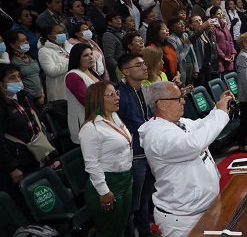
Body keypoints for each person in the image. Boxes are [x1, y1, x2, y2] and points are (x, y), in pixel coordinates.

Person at [139, 81, 233, 236]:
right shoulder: (157, 135)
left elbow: (203, 125)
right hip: (183, 220)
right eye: (178, 98)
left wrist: (218, 107)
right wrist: (221, 113)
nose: (183, 101)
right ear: (161, 104)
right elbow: (193, 144)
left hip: (203, 209)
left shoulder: (178, 122)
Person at [79, 81, 133, 237]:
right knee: (108, 232)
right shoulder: (91, 128)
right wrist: (103, 191)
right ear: (97, 99)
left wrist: (129, 176)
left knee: (121, 228)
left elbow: (126, 148)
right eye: (111, 95)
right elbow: (91, 164)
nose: (117, 98)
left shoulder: (114, 117)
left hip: (125, 179)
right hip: (107, 183)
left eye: (116, 93)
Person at [0, 64, 55, 209]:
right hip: (18, 160)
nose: (18, 80)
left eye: (19, 76)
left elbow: (36, 121)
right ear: (1, 83)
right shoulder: (2, 105)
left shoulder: (24, 96)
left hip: (35, 153)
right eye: (12, 78)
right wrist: (12, 168)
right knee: (26, 201)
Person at [116, 52, 156, 237]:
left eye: (144, 64)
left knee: (146, 198)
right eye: (138, 65)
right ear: (126, 71)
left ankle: (146, 233)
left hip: (147, 151)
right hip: (133, 155)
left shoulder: (144, 89)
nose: (144, 67)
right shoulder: (119, 95)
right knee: (132, 204)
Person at [66, 43, 103, 144]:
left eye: (91, 54)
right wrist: (103, 113)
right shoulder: (73, 75)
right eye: (86, 55)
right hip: (86, 120)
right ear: (77, 58)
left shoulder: (91, 71)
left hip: (100, 117)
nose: (91, 57)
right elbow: (87, 101)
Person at [5, 31, 44, 108]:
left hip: (40, 95)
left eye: (26, 39)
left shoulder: (30, 57)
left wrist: (42, 94)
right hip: (27, 98)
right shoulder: (13, 62)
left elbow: (37, 75)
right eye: (22, 41)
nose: (26, 42)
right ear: (12, 45)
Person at [38, 23, 74, 103]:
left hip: (74, 86)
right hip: (59, 92)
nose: (62, 34)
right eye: (59, 33)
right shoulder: (44, 50)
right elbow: (51, 71)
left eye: (63, 32)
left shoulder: (69, 46)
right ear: (50, 36)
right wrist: (69, 60)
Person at [146, 20, 180, 84]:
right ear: (156, 32)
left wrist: (178, 75)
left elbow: (176, 61)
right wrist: (173, 80)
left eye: (167, 28)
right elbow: (160, 68)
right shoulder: (152, 47)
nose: (167, 30)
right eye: (163, 29)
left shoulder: (168, 45)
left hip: (176, 78)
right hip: (164, 80)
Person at [210, 6, 236, 74]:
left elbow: (230, 40)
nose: (221, 15)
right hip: (219, 58)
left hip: (229, 56)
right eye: (218, 14)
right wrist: (223, 56)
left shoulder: (224, 25)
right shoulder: (212, 27)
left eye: (221, 13)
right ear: (213, 15)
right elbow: (214, 44)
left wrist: (233, 53)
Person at [103, 12, 127, 83]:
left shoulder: (123, 32)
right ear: (109, 22)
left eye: (119, 18)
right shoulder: (108, 35)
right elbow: (109, 57)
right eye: (115, 19)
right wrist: (119, 69)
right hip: (119, 71)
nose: (119, 20)